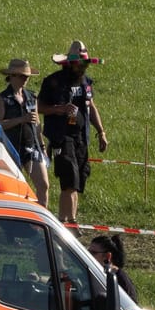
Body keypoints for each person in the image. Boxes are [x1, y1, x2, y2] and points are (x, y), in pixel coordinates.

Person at [38, 40, 107, 225]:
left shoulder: (86, 82)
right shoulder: (52, 82)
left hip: (81, 137)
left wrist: (101, 132)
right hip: (61, 137)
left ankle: (72, 221)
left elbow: (91, 106)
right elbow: (39, 107)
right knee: (68, 181)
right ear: (69, 63)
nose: (82, 67)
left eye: (84, 64)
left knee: (78, 182)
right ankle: (65, 223)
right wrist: (59, 109)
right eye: (79, 64)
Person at [0, 57, 49, 207]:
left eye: (27, 77)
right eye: (22, 76)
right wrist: (20, 119)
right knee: (14, 189)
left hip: (32, 146)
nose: (25, 79)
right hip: (11, 148)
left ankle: (42, 220)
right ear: (12, 76)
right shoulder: (2, 98)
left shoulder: (32, 97)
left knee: (43, 184)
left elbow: (37, 123)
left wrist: (42, 146)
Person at [89, 233, 138, 304]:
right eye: (88, 251)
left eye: (93, 253)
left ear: (107, 256)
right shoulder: (95, 273)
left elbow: (130, 307)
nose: (88, 255)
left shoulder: (120, 279)